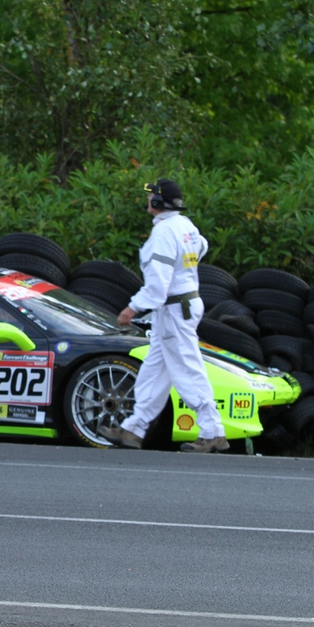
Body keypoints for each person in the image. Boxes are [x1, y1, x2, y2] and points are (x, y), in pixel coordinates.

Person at [100, 179, 229, 454]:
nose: (147, 201)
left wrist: (132, 308)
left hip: (173, 309)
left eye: (150, 197)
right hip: (178, 307)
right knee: (154, 373)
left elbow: (157, 285)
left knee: (187, 371)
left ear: (158, 203)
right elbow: (201, 247)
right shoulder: (185, 226)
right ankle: (133, 429)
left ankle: (212, 432)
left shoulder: (164, 233)